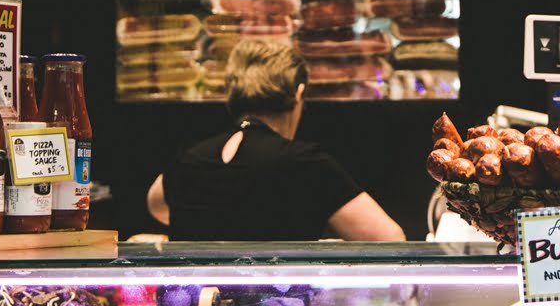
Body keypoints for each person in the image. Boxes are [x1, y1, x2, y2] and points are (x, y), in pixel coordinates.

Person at [147, 39, 405, 241]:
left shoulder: (187, 160)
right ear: (298, 94)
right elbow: (389, 239)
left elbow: (156, 205)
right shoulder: (306, 164)